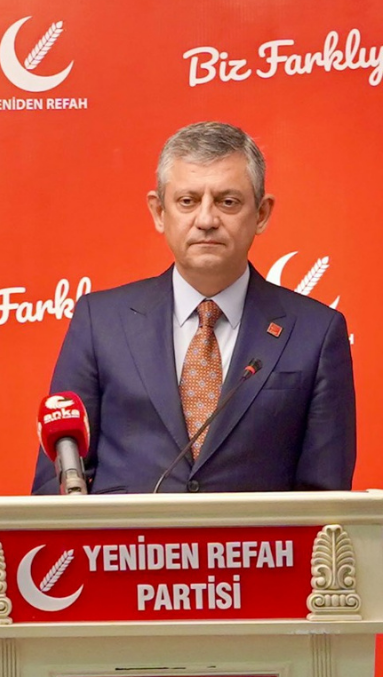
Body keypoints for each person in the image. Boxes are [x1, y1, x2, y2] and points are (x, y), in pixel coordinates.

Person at [32, 121, 355, 495]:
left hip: (255, 537)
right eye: (187, 201)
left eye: (227, 202)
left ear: (262, 213)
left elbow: (325, 501)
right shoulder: (100, 322)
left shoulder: (316, 333)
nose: (206, 220)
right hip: (127, 536)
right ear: (159, 211)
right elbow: (56, 482)